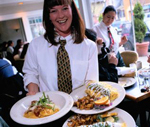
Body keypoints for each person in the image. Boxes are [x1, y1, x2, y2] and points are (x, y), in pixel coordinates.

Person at [23, 0, 98, 96]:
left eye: (65, 8)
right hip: (49, 107)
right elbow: (31, 73)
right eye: (54, 11)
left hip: (80, 106)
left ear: (72, 11)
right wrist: (33, 92)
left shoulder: (89, 47)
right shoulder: (35, 45)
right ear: (48, 16)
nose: (60, 16)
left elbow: (91, 82)